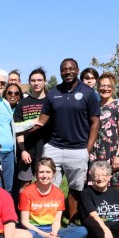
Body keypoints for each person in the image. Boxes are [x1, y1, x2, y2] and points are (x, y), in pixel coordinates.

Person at [36, 58, 100, 224]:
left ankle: (71, 221)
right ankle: (47, 221)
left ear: (77, 71)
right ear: (60, 72)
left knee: (75, 188)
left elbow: (95, 122)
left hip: (78, 149)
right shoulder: (53, 93)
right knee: (49, 186)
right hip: (54, 147)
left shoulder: (88, 93)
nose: (68, 72)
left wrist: (88, 148)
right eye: (64, 69)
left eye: (71, 69)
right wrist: (19, 130)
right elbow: (42, 120)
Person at [18, 158, 87, 238]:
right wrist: (45, 235)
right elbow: (24, 222)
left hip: (51, 229)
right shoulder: (26, 192)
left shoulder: (58, 193)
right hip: (34, 230)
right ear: (36, 174)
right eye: (41, 172)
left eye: (48, 172)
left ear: (53, 174)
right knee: (29, 235)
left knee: (82, 230)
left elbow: (57, 221)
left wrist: (53, 233)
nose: (44, 175)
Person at [88, 73, 119, 188]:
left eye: (108, 86)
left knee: (113, 189)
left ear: (113, 88)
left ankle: (114, 206)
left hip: (112, 152)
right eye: (102, 85)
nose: (105, 89)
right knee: (94, 186)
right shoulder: (93, 105)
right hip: (95, 151)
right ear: (97, 87)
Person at [15, 67, 51, 188]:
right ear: (29, 82)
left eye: (40, 80)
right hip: (27, 150)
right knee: (25, 183)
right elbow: (18, 130)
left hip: (47, 148)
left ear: (45, 81)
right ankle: (24, 207)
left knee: (45, 182)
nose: (36, 83)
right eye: (33, 80)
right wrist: (23, 150)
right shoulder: (22, 104)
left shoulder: (51, 101)